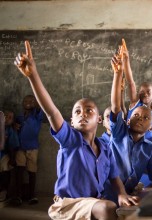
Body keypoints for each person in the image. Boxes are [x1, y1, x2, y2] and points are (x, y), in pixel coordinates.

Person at [14, 40, 137, 220]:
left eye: (89, 111)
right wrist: (32, 75)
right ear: (71, 122)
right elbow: (51, 111)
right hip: (68, 204)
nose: (83, 114)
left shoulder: (104, 146)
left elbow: (114, 176)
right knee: (107, 208)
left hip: (92, 202)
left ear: (99, 120)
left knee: (125, 207)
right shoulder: (70, 140)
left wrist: (121, 193)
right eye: (77, 112)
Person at [105, 46, 152, 199]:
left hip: (129, 195)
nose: (140, 118)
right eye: (136, 115)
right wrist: (118, 74)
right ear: (128, 119)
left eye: (145, 118)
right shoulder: (119, 133)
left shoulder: (149, 148)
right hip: (106, 194)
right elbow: (116, 106)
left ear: (151, 127)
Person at [13, 94, 43, 205]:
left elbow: (40, 106)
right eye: (25, 100)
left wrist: (36, 100)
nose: (28, 102)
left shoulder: (37, 115)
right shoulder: (19, 116)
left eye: (31, 101)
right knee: (19, 170)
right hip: (20, 147)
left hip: (32, 147)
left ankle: (32, 195)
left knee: (32, 171)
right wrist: (15, 127)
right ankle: (18, 195)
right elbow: (15, 127)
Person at [0, 110, 20, 202]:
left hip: (4, 154)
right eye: (5, 116)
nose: (6, 119)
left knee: (5, 171)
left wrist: (12, 159)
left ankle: (3, 192)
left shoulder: (10, 130)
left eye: (10, 118)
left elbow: (12, 146)